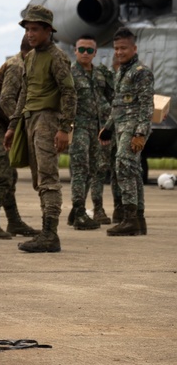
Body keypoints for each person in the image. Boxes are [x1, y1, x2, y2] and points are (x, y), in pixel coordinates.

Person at [3, 5, 77, 253]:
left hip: (47, 120)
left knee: (48, 178)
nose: (29, 34)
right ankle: (47, 232)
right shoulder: (31, 57)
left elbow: (69, 92)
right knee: (38, 178)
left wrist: (65, 128)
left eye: (35, 29)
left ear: (48, 30)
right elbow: (24, 93)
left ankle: (49, 234)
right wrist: (13, 125)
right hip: (29, 120)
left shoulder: (57, 57)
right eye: (27, 30)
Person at [0, 35, 38, 238]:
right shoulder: (17, 66)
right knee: (2, 176)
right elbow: (6, 100)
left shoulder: (25, 65)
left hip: (3, 126)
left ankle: (14, 222)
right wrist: (20, 125)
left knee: (10, 176)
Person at [102, 27, 155, 236]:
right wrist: (107, 128)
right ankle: (139, 220)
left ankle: (129, 218)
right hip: (121, 127)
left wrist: (140, 133)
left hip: (133, 128)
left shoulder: (141, 73)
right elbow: (117, 105)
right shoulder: (121, 72)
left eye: (123, 48)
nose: (119, 52)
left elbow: (147, 106)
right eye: (116, 48)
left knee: (123, 165)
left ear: (134, 48)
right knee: (133, 170)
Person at [67, 35, 114, 230]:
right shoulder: (69, 74)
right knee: (79, 168)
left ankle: (75, 212)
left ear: (95, 53)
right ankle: (79, 212)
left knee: (94, 169)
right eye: (81, 49)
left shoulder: (101, 73)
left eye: (89, 50)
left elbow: (111, 97)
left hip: (98, 128)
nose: (85, 53)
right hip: (78, 127)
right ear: (75, 51)